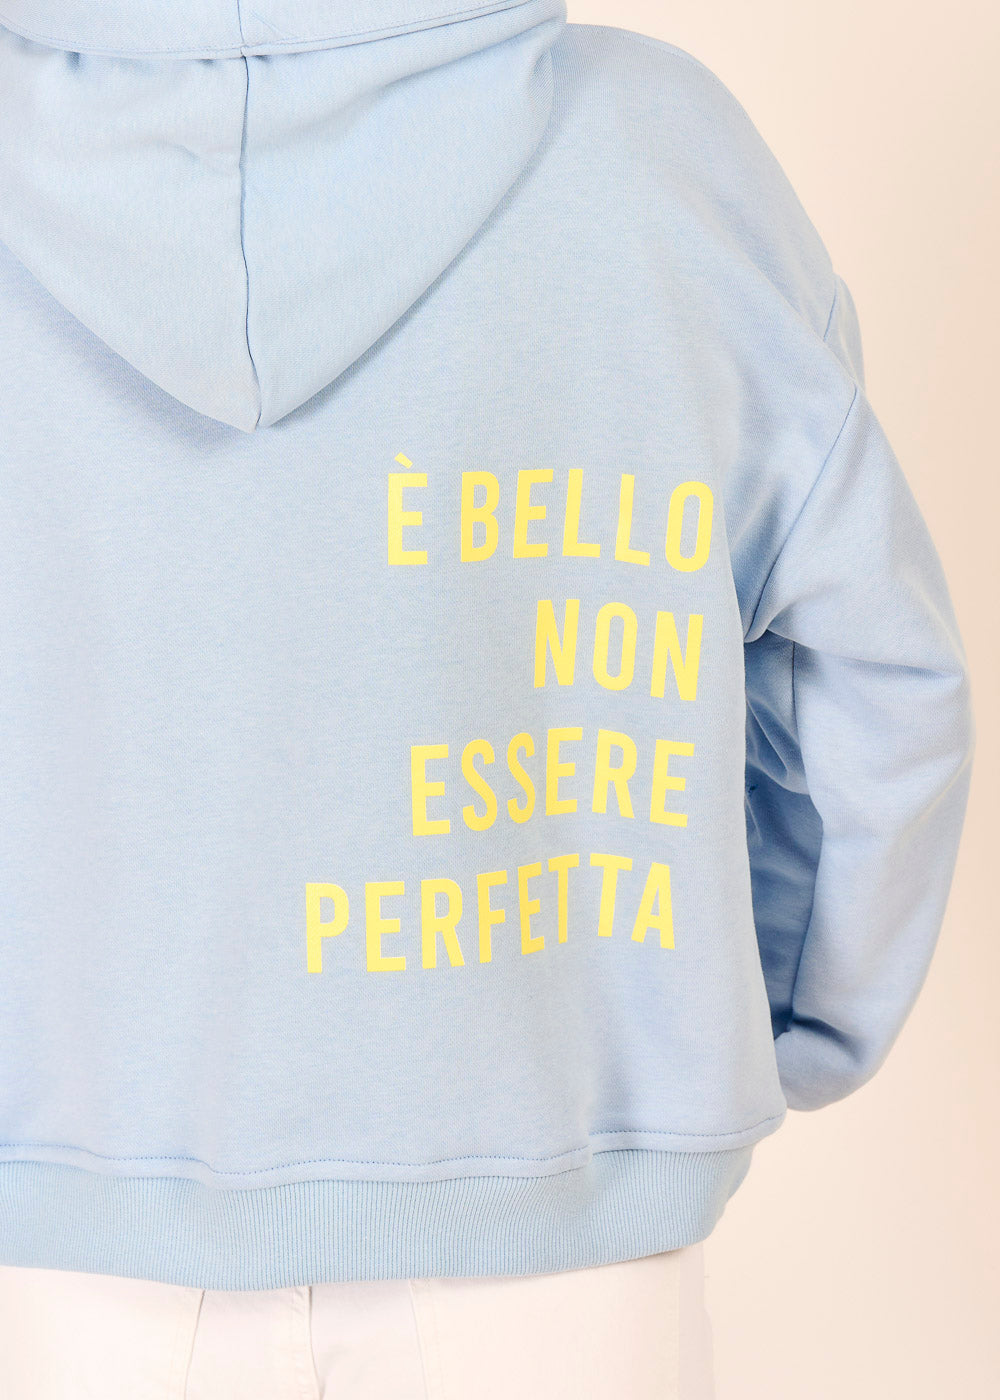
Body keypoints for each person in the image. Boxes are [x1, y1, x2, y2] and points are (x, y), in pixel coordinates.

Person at [0, 1, 975, 1396]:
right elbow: (874, 677)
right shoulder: (657, 154)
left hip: (57, 1247)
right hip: (567, 1230)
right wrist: (756, 1019)